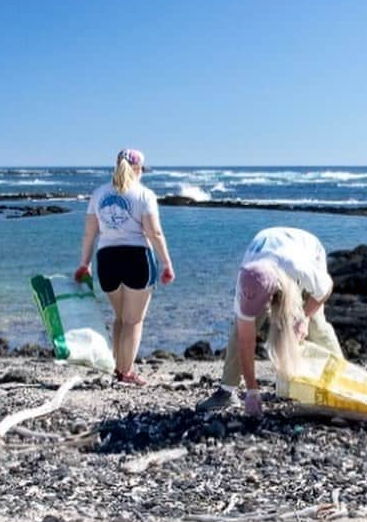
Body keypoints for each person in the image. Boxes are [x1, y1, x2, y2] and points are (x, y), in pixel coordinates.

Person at [198, 227, 343, 416]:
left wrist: (304, 317)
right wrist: (252, 391)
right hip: (269, 256)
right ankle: (227, 390)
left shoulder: (299, 267)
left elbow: (326, 288)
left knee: (316, 324)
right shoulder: (246, 280)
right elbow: (245, 339)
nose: (265, 310)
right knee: (239, 329)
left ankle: (340, 381)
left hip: (306, 250)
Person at [74, 148, 175, 385]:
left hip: (106, 259)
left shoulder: (98, 193)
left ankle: (118, 368)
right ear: (138, 169)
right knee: (133, 321)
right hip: (136, 257)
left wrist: (84, 263)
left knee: (120, 317)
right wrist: (167, 263)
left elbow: (90, 233)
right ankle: (126, 372)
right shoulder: (144, 194)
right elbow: (155, 232)